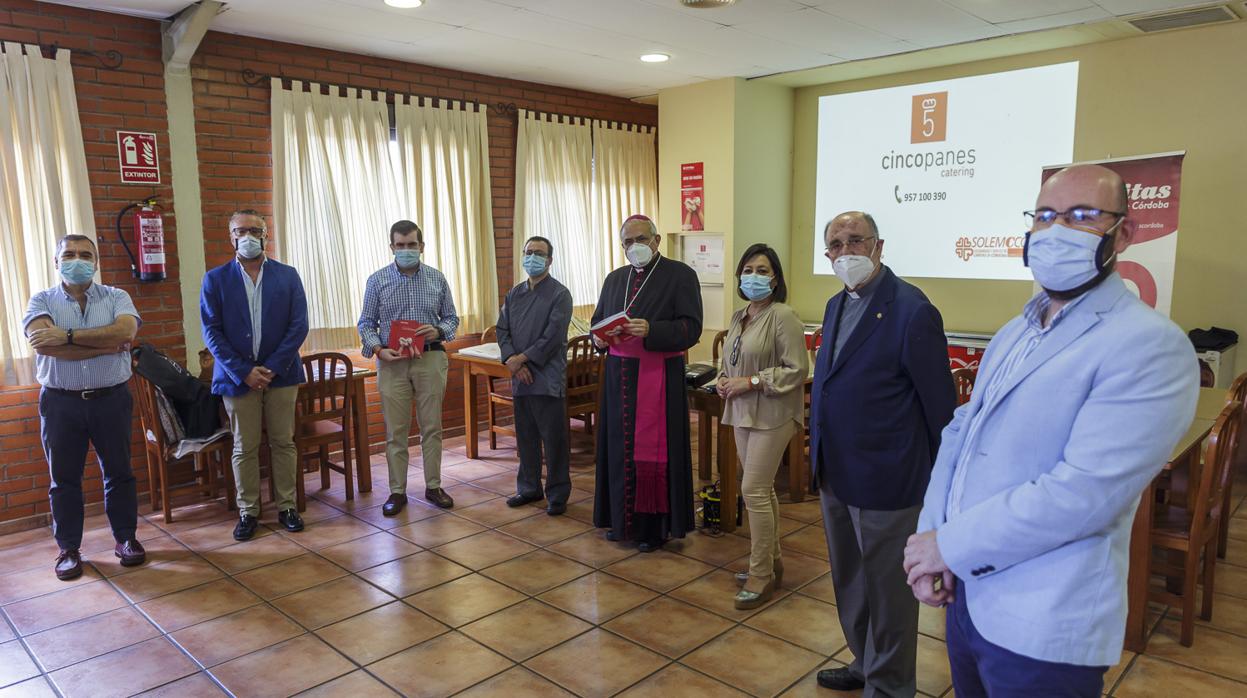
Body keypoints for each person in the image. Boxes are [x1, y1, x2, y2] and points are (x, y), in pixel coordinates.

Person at [904, 164, 1199, 697]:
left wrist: (948, 546)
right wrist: (931, 537)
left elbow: (1084, 494)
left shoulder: (1150, 344)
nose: (1056, 229)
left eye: (1082, 215)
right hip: (967, 598)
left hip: (1042, 620)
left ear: (1123, 234)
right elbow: (960, 436)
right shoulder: (1015, 332)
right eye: (1044, 216)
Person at [811, 211, 956, 696]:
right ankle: (865, 662)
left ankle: (891, 686)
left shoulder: (912, 310)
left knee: (890, 593)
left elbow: (940, 408)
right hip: (835, 472)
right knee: (851, 583)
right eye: (836, 244)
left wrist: (938, 489)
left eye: (856, 240)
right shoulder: (835, 304)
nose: (846, 251)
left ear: (878, 246)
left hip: (888, 478)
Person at [23, 235, 144, 580]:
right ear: (56, 261)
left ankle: (126, 538)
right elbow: (43, 345)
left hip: (111, 399)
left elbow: (125, 333)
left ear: (96, 262)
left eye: (85, 255)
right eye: (69, 254)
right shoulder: (41, 300)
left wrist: (67, 336)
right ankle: (68, 550)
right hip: (61, 403)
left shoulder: (117, 297)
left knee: (119, 473)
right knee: (64, 479)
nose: (77, 260)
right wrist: (106, 346)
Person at [591, 215, 702, 552]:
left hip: (659, 378)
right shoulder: (614, 279)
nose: (634, 246)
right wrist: (599, 338)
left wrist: (653, 329)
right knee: (617, 449)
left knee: (656, 452)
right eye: (627, 241)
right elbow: (598, 321)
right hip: (618, 378)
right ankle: (620, 522)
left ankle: (654, 528)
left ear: (656, 240)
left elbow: (691, 328)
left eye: (640, 239)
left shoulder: (680, 275)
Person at [201, 210, 309, 541]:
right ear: (231, 237)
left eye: (254, 230)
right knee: (244, 446)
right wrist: (244, 371)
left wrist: (272, 367)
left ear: (265, 235)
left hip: (282, 374)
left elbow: (298, 326)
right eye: (240, 231)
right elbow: (211, 332)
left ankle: (287, 506)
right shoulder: (215, 279)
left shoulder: (287, 275)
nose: (247, 236)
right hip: (237, 379)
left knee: (283, 442)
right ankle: (248, 511)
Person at [717, 243, 808, 609]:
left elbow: (796, 369)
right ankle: (772, 562)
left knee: (752, 490)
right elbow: (730, 359)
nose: (753, 276)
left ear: (775, 278)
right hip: (741, 411)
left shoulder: (784, 315)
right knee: (763, 489)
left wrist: (751, 382)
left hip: (773, 412)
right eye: (748, 270)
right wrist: (724, 379)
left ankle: (760, 575)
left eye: (762, 270)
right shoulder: (739, 316)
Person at [358, 220, 459, 514]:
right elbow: (366, 323)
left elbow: (452, 318)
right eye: (400, 245)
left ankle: (433, 486)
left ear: (421, 246)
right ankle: (397, 492)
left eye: (411, 244)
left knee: (432, 427)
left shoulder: (437, 278)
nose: (406, 250)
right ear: (392, 247)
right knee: (396, 431)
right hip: (392, 363)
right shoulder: (377, 281)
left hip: (430, 358)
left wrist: (438, 330)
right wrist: (378, 349)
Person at [496, 236, 574, 515]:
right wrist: (513, 361)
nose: (532, 257)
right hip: (521, 377)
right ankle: (529, 487)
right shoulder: (514, 294)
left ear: (549, 260)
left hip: (547, 376)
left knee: (554, 440)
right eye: (528, 252)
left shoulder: (560, 294)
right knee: (526, 437)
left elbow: (553, 336)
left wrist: (523, 358)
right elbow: (502, 330)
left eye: (539, 253)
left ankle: (557, 494)